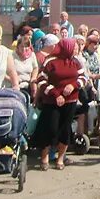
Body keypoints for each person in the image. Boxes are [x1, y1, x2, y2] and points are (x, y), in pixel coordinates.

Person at [36, 37, 88, 171]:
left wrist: (74, 85)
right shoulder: (50, 61)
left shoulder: (75, 62)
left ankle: (60, 158)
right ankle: (45, 157)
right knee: (51, 129)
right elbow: (41, 80)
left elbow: (83, 78)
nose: (76, 49)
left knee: (65, 130)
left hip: (70, 101)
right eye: (73, 47)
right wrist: (55, 93)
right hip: (52, 102)